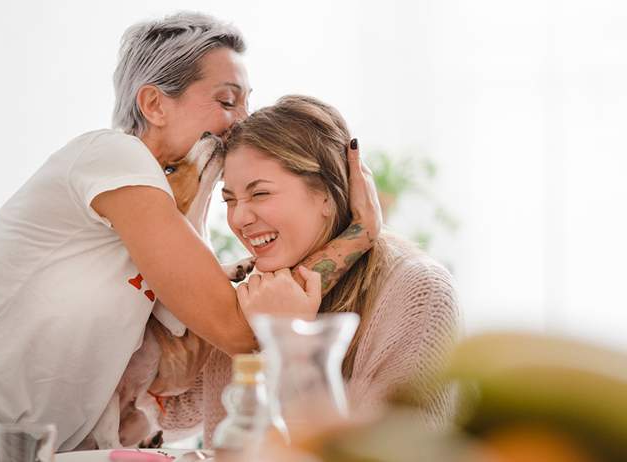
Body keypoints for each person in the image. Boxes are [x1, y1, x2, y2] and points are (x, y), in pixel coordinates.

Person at [0, 14, 381, 461]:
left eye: (247, 101)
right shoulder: (110, 156)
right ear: (153, 104)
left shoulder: (180, 211)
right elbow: (239, 328)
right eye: (226, 100)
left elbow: (228, 324)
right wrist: (358, 235)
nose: (241, 121)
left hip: (47, 447)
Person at [159, 95, 459, 446]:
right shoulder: (262, 290)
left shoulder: (419, 293)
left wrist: (291, 345)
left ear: (327, 196)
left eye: (260, 194)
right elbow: (169, 414)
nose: (239, 219)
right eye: (230, 200)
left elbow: (401, 451)